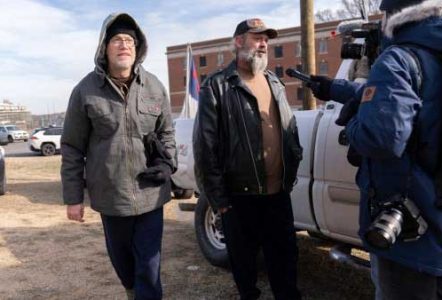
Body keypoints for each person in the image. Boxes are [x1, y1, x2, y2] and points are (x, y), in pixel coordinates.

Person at [307, 0, 442, 299]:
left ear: (393, 15)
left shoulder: (397, 58)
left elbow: (380, 137)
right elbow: (404, 95)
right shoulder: (438, 53)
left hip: (411, 242)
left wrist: (355, 122)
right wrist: (333, 88)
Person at [61, 12, 176, 300]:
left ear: (137, 49)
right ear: (104, 47)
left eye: (129, 40)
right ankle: (131, 292)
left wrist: (166, 163)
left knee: (149, 266)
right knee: (124, 264)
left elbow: (167, 133)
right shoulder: (85, 91)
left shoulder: (154, 87)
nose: (124, 45)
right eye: (117, 40)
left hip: (150, 195)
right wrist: (73, 198)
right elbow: (72, 146)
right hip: (111, 197)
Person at [193, 18, 303, 300]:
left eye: (266, 39)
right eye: (257, 38)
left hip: (278, 195)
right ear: (239, 41)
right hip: (239, 199)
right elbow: (205, 148)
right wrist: (220, 203)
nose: (264, 43)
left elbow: (289, 132)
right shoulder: (217, 86)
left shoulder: (275, 82)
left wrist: (291, 166)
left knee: (286, 267)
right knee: (245, 273)